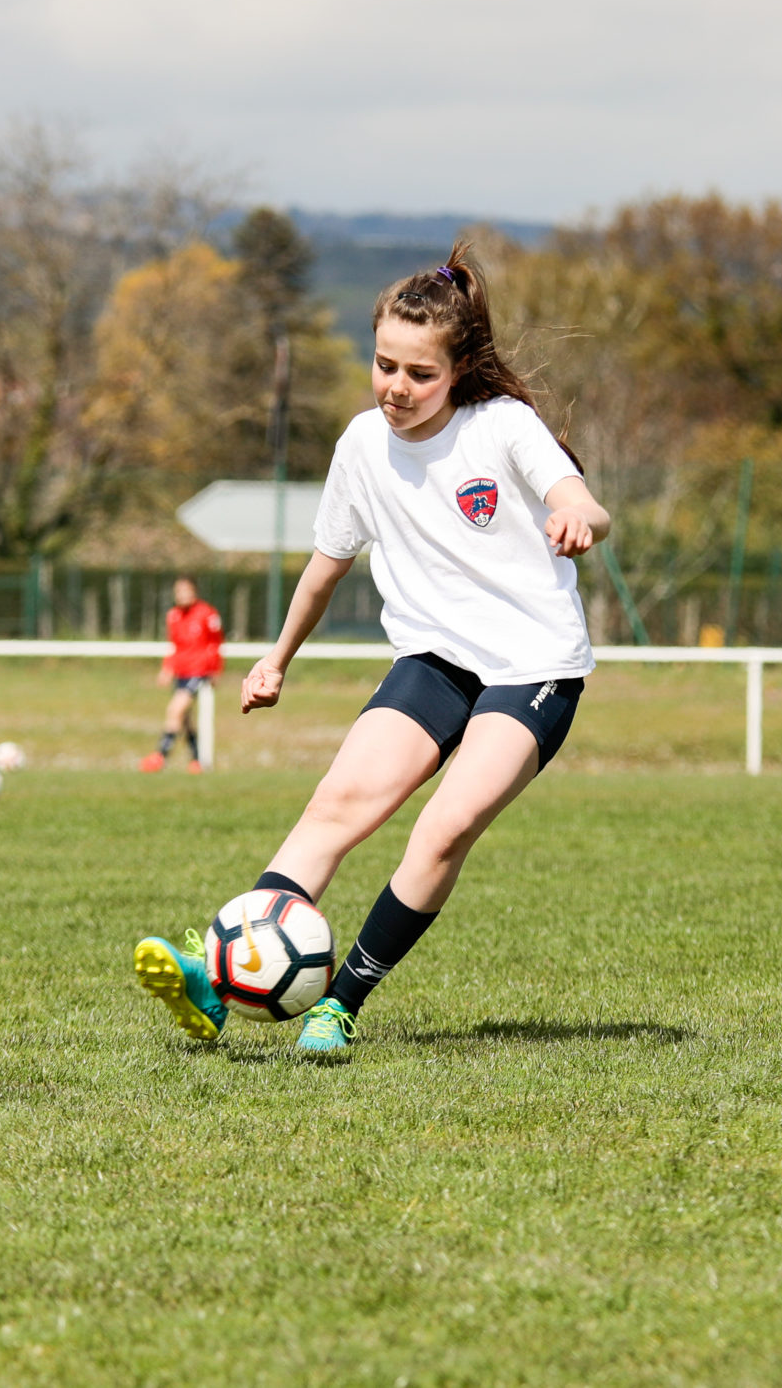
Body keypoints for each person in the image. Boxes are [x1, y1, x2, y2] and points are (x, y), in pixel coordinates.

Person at [132, 242, 608, 1059]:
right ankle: (216, 979)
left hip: (533, 666)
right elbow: (326, 566)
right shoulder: (359, 444)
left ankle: (341, 1002)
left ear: (458, 370)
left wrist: (577, 519)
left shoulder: (501, 426)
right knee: (334, 808)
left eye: (420, 373)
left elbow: (584, 502)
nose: (396, 387)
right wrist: (276, 657)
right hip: (434, 660)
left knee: (443, 829)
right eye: (385, 365)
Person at [140, 576, 223, 773]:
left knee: (175, 709)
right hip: (181, 671)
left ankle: (160, 756)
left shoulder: (207, 613)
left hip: (198, 671)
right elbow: (174, 645)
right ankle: (196, 760)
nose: (182, 595)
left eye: (186, 590)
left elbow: (216, 642)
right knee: (185, 719)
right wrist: (167, 668)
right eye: (178, 591)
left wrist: (216, 670)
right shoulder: (173, 615)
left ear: (194, 591)